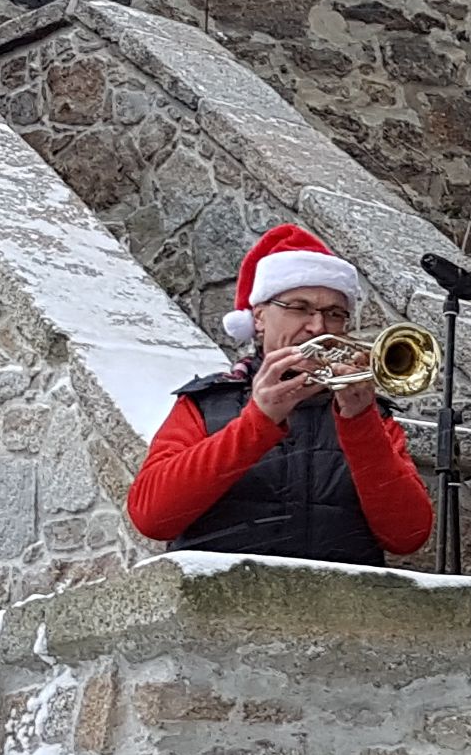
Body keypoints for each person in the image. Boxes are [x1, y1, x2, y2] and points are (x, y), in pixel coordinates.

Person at [127, 224, 434, 563]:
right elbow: (151, 517)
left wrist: (361, 422)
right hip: (223, 606)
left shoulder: (371, 415)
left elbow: (407, 536)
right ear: (259, 317)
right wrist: (258, 421)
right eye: (299, 307)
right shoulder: (207, 403)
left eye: (334, 313)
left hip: (341, 609)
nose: (317, 327)